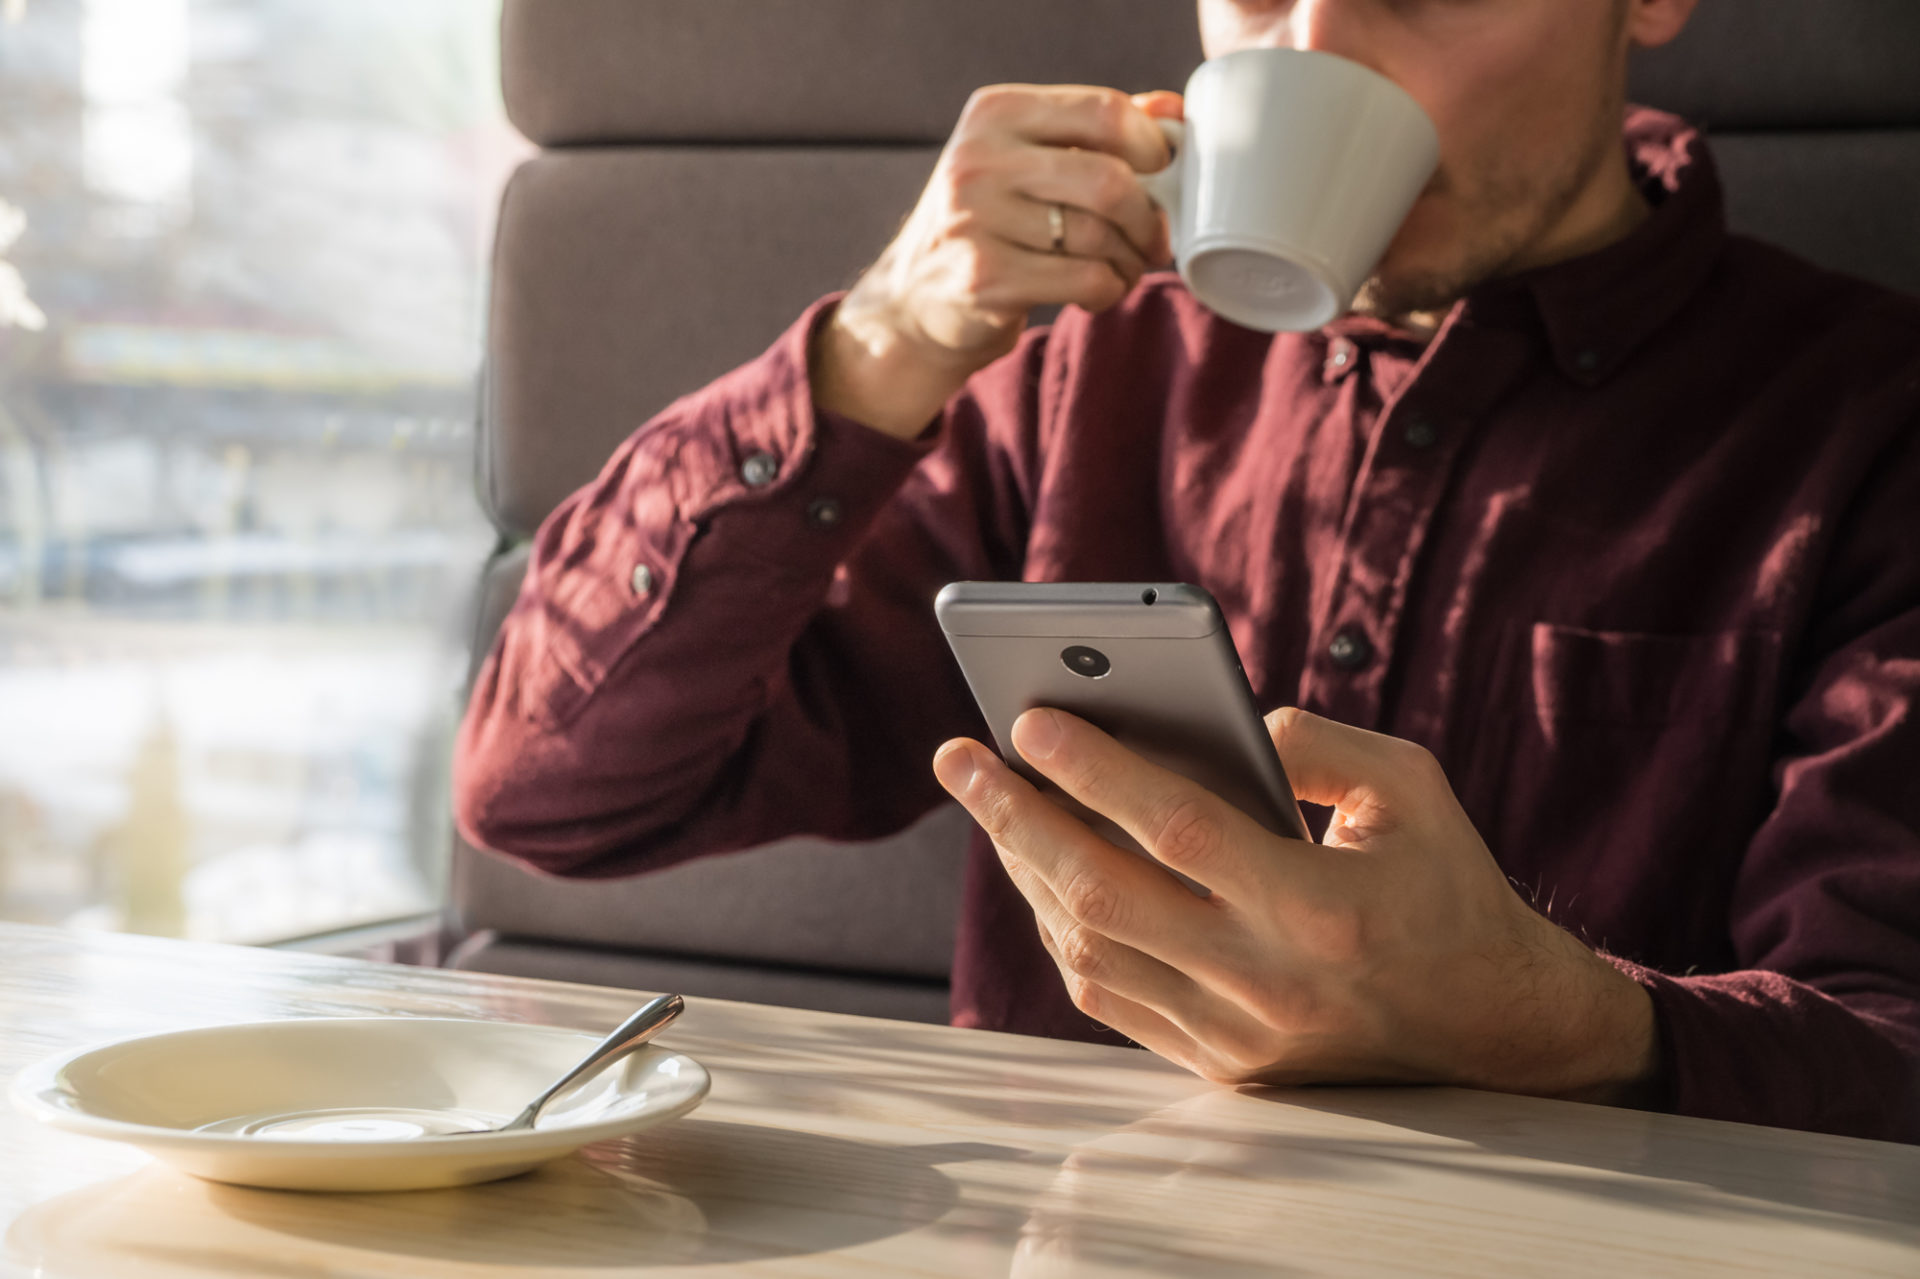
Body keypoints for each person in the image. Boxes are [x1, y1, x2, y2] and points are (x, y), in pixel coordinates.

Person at [453, 0, 1920, 1142]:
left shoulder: (1865, 426)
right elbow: (552, 792)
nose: (1322, 49)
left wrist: (1563, 1025)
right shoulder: (1080, 369)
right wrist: (880, 343)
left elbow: (1894, 1050)